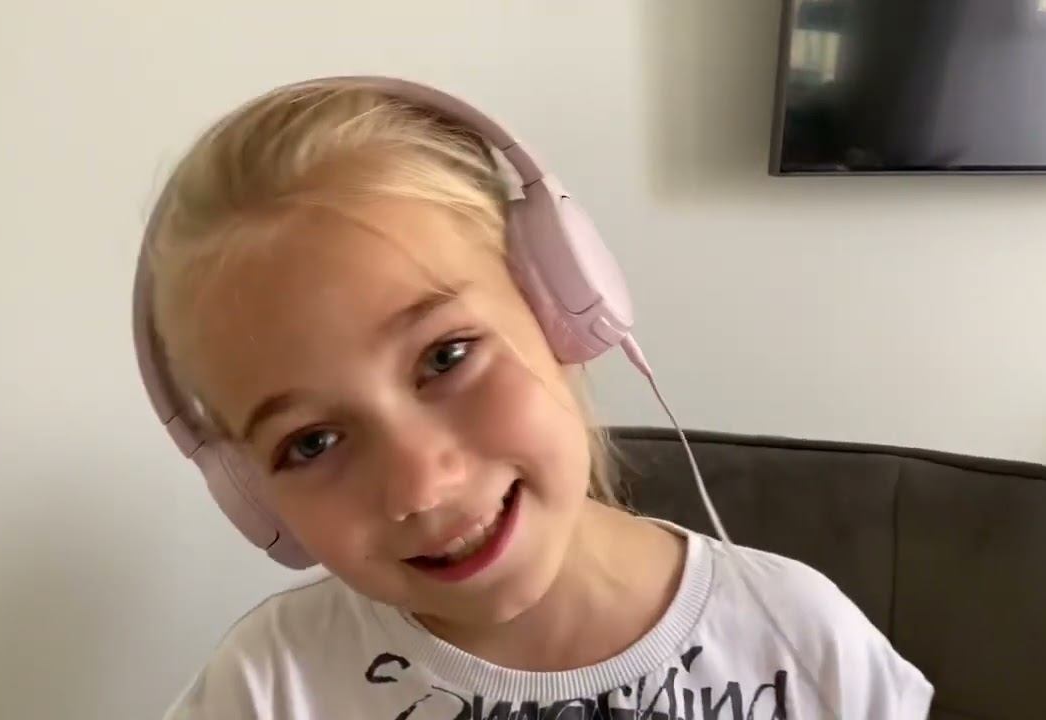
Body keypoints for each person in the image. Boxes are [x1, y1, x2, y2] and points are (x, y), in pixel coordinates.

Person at [134, 77, 934, 719]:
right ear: (250, 494)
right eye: (311, 442)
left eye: (445, 357)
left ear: (560, 306)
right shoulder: (268, 689)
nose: (422, 486)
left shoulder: (799, 638)